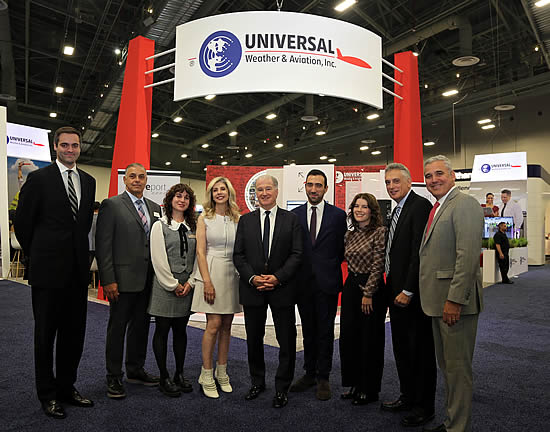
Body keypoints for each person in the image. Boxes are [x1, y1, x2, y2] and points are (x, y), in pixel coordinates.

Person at [15, 126, 96, 419]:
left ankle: (66, 388)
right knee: (45, 335)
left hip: (77, 273)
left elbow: (83, 225)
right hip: (47, 272)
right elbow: (23, 223)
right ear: (55, 147)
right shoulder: (39, 179)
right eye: (65, 145)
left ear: (79, 147)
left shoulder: (88, 181)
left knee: (74, 335)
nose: (70, 150)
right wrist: (40, 253)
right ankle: (47, 395)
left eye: (75, 145)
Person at [420, 155, 484, 432]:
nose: (433, 180)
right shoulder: (440, 207)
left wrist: (455, 300)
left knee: (458, 370)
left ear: (453, 175)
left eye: (438, 174)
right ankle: (450, 421)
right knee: (447, 367)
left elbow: (467, 257)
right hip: (438, 302)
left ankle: (457, 426)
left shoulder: (465, 204)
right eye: (429, 176)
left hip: (454, 304)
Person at [233, 174, 303, 409]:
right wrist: (253, 278)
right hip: (253, 289)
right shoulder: (245, 220)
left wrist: (277, 278)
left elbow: (297, 254)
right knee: (254, 338)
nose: (263, 193)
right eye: (259, 190)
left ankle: (282, 387)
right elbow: (238, 255)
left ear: (276, 191)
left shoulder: (291, 220)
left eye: (267, 189)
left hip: (282, 288)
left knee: (286, 339)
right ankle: (257, 382)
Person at [96, 163, 162, 399]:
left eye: (141, 176)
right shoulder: (111, 205)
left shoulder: (155, 208)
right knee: (117, 329)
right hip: (121, 282)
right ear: (124, 180)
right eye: (132, 176)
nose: (137, 180)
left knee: (141, 327)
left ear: (146, 180)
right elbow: (103, 246)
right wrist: (108, 280)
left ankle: (135, 369)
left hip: (148, 281)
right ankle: (114, 376)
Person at [381, 163, 437, 427]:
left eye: (396, 181)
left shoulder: (419, 207)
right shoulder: (397, 209)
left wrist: (408, 289)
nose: (391, 186)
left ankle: (424, 407)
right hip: (396, 293)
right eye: (388, 182)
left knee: (420, 352)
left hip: (412, 295)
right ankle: (408, 396)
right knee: (402, 349)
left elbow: (419, 253)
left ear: (408, 181)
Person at [289, 169, 347, 400]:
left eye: (318, 185)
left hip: (328, 284)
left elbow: (343, 250)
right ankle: (309, 373)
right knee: (308, 332)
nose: (314, 189)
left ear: (326, 188)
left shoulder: (338, 216)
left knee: (325, 332)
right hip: (303, 285)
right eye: (310, 185)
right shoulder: (294, 216)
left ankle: (324, 377)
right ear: (305, 186)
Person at [190, 177, 241, 399]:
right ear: (211, 194)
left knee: (227, 324)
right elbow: (200, 252)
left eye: (223, 189)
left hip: (232, 273)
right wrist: (207, 281)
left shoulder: (237, 218)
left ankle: (222, 371)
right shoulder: (205, 218)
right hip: (211, 271)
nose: (219, 193)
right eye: (215, 190)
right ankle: (207, 373)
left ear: (229, 192)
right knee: (214, 323)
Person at [149, 183, 197, 397]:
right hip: (165, 287)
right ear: (170, 199)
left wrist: (191, 283)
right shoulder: (160, 225)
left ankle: (179, 373)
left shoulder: (193, 227)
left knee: (181, 332)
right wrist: (173, 284)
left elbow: (198, 258)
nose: (182, 200)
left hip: (187, 287)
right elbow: (158, 259)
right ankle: (163, 376)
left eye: (186, 197)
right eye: (178, 196)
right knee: (162, 331)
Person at [339, 193, 386, 406]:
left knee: (370, 341)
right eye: (356, 206)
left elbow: (379, 264)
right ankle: (355, 384)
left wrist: (368, 293)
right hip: (350, 288)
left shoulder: (379, 232)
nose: (359, 210)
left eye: (364, 206)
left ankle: (370, 389)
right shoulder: (349, 235)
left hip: (372, 290)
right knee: (350, 338)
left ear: (372, 210)